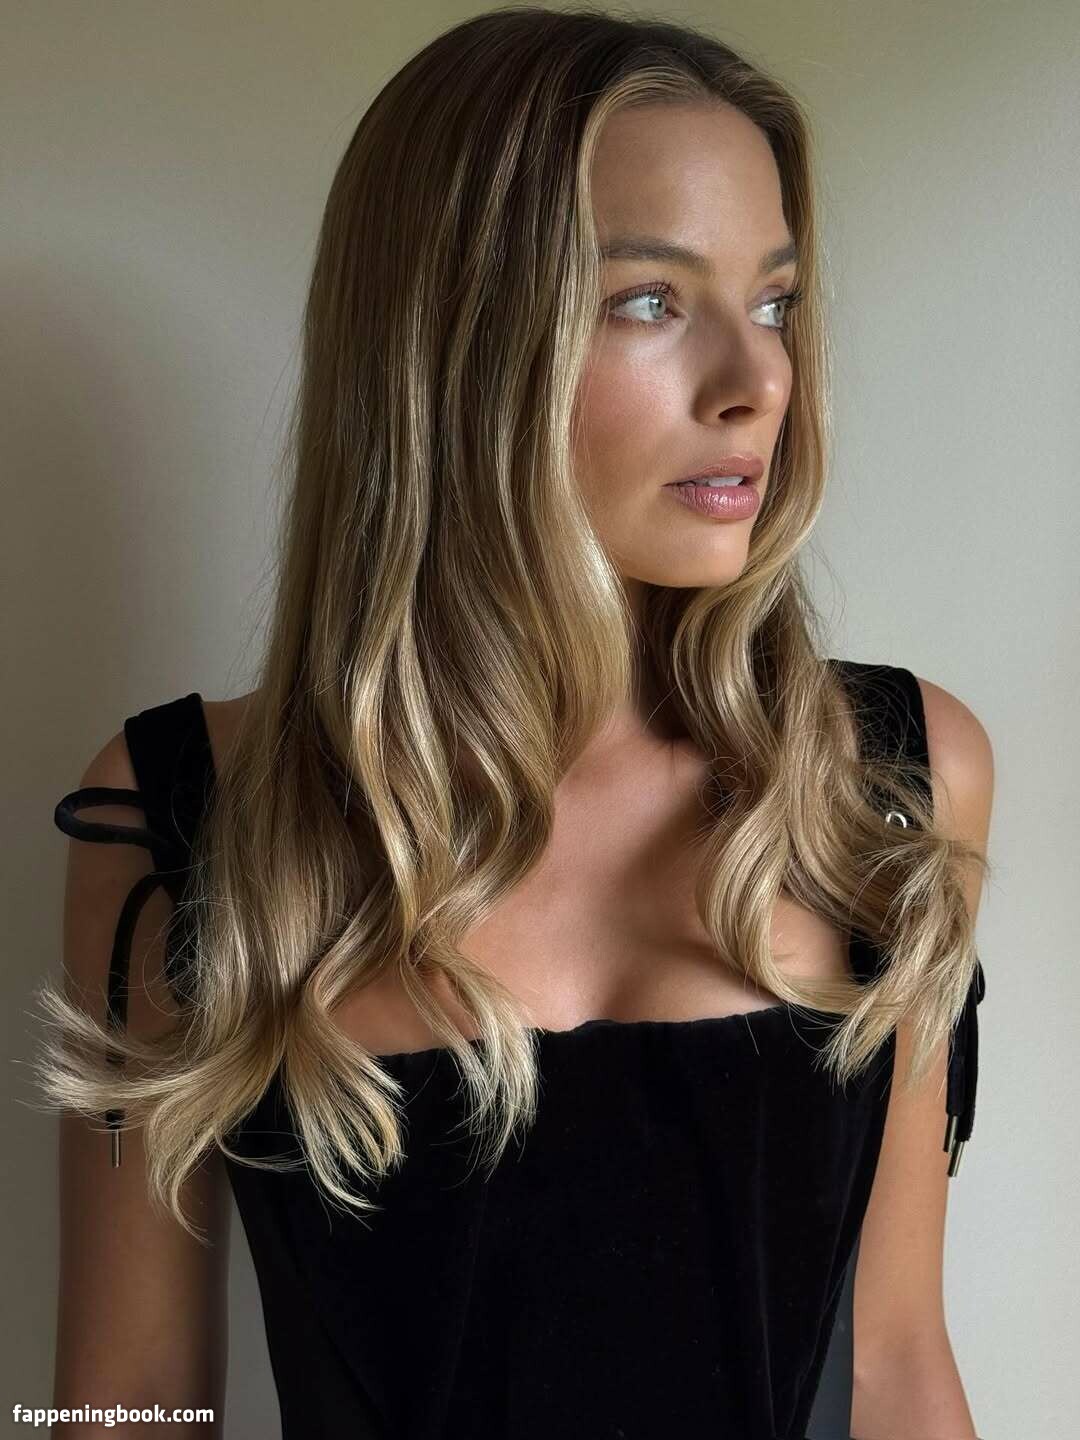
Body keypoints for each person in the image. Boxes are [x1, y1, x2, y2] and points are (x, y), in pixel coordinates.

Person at [37, 8, 993, 1438]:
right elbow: (128, 1402)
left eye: (776, 300)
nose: (759, 382)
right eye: (650, 301)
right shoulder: (188, 814)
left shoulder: (890, 783)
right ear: (457, 343)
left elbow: (898, 1366)